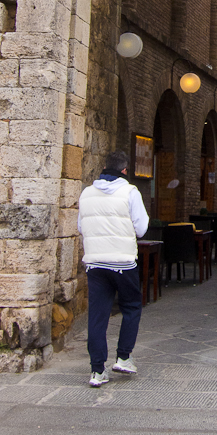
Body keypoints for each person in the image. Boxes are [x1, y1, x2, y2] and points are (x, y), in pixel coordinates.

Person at [77, 149, 149, 387]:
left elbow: (81, 226)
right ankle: (124, 357)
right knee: (131, 307)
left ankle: (97, 371)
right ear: (125, 171)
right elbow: (141, 228)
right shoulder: (130, 192)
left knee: (97, 316)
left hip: (95, 262)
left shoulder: (87, 193)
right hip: (123, 263)